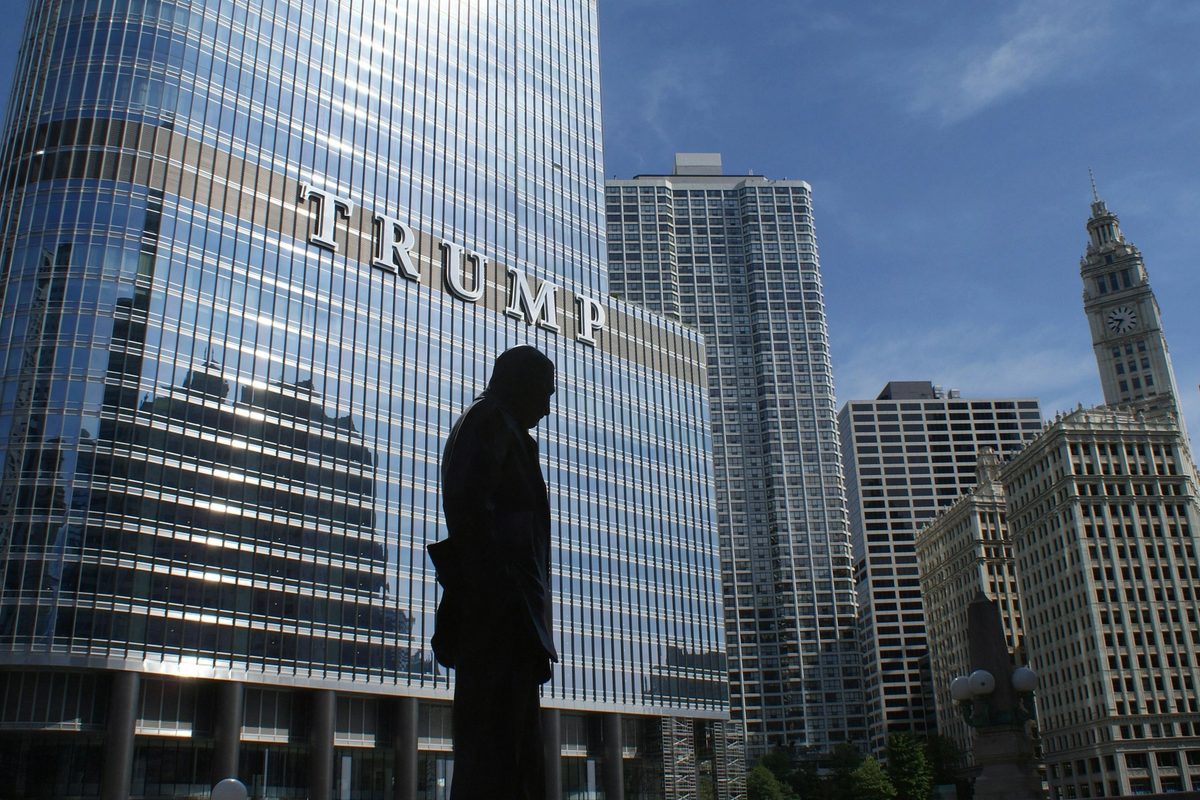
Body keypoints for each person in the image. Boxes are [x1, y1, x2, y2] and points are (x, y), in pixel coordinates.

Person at [429, 346, 558, 800]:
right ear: (516, 382)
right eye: (544, 393)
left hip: (513, 618)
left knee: (517, 754)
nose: (546, 406)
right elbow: (468, 509)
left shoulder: (506, 429)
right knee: (498, 753)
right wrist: (501, 595)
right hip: (500, 616)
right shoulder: (490, 423)